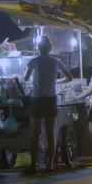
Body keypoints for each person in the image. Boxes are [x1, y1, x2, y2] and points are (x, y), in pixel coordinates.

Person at [24, 36, 73, 173]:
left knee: (35, 133)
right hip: (51, 99)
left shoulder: (33, 61)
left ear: (38, 48)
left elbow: (26, 78)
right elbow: (69, 77)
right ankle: (49, 165)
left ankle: (33, 166)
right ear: (50, 48)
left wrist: (31, 75)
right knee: (51, 133)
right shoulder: (56, 61)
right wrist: (55, 82)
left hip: (37, 99)